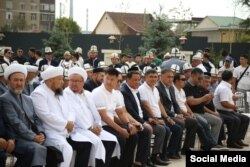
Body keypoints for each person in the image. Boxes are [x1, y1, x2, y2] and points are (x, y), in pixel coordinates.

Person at [64, 67, 120, 167]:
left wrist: (98, 125)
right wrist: (90, 128)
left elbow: (95, 113)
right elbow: (74, 115)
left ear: (83, 82)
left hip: (92, 127)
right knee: (93, 143)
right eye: (72, 80)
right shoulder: (65, 94)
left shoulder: (88, 94)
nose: (74, 83)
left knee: (112, 140)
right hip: (77, 129)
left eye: (77, 81)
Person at [0, 64, 47, 166]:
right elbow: (15, 122)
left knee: (53, 149)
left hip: (32, 136)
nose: (19, 83)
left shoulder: (28, 99)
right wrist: (33, 137)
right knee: (37, 149)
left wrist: (41, 132)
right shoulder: (5, 99)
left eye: (21, 80)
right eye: (15, 80)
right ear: (8, 81)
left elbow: (36, 119)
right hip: (17, 138)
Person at [92, 68, 138, 167]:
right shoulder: (98, 92)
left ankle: (125, 164)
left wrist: (128, 124)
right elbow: (104, 117)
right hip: (101, 125)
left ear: (117, 81)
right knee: (120, 138)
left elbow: (121, 112)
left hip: (110, 124)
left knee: (133, 135)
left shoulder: (115, 93)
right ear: (103, 77)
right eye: (107, 78)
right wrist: (121, 130)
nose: (108, 81)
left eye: (112, 79)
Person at [31, 66, 74, 167]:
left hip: (66, 130)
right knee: (66, 149)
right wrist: (65, 124)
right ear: (50, 80)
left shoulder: (60, 92)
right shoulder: (39, 93)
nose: (63, 82)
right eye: (59, 79)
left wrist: (70, 122)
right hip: (49, 131)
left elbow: (70, 110)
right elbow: (45, 116)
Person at [139, 69, 179, 164]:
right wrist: (156, 119)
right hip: (148, 118)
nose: (153, 79)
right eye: (151, 77)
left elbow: (159, 104)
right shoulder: (142, 89)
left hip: (158, 117)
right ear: (145, 78)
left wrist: (166, 117)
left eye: (155, 77)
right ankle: (153, 156)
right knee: (163, 130)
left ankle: (159, 155)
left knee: (169, 128)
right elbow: (146, 106)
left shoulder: (155, 89)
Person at [156, 69, 198, 155]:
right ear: (161, 76)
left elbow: (175, 104)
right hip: (165, 115)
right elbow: (161, 106)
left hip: (174, 114)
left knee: (193, 122)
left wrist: (180, 114)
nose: (171, 79)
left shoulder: (170, 87)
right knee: (180, 124)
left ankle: (186, 148)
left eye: (172, 77)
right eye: (168, 77)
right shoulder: (158, 87)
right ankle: (172, 151)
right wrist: (175, 115)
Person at [184, 68, 225, 148]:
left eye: (201, 78)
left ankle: (212, 143)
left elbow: (204, 103)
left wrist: (209, 98)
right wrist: (204, 98)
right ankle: (209, 144)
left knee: (218, 121)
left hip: (201, 111)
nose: (200, 80)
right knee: (204, 122)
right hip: (193, 112)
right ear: (192, 75)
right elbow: (190, 102)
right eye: (199, 78)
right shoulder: (188, 86)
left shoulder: (197, 86)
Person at [213, 70, 250, 148]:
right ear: (231, 78)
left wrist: (232, 97)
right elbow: (224, 103)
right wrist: (234, 107)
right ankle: (231, 141)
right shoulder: (223, 88)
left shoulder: (226, 86)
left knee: (245, 118)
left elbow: (227, 99)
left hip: (227, 110)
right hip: (222, 111)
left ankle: (238, 139)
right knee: (235, 119)